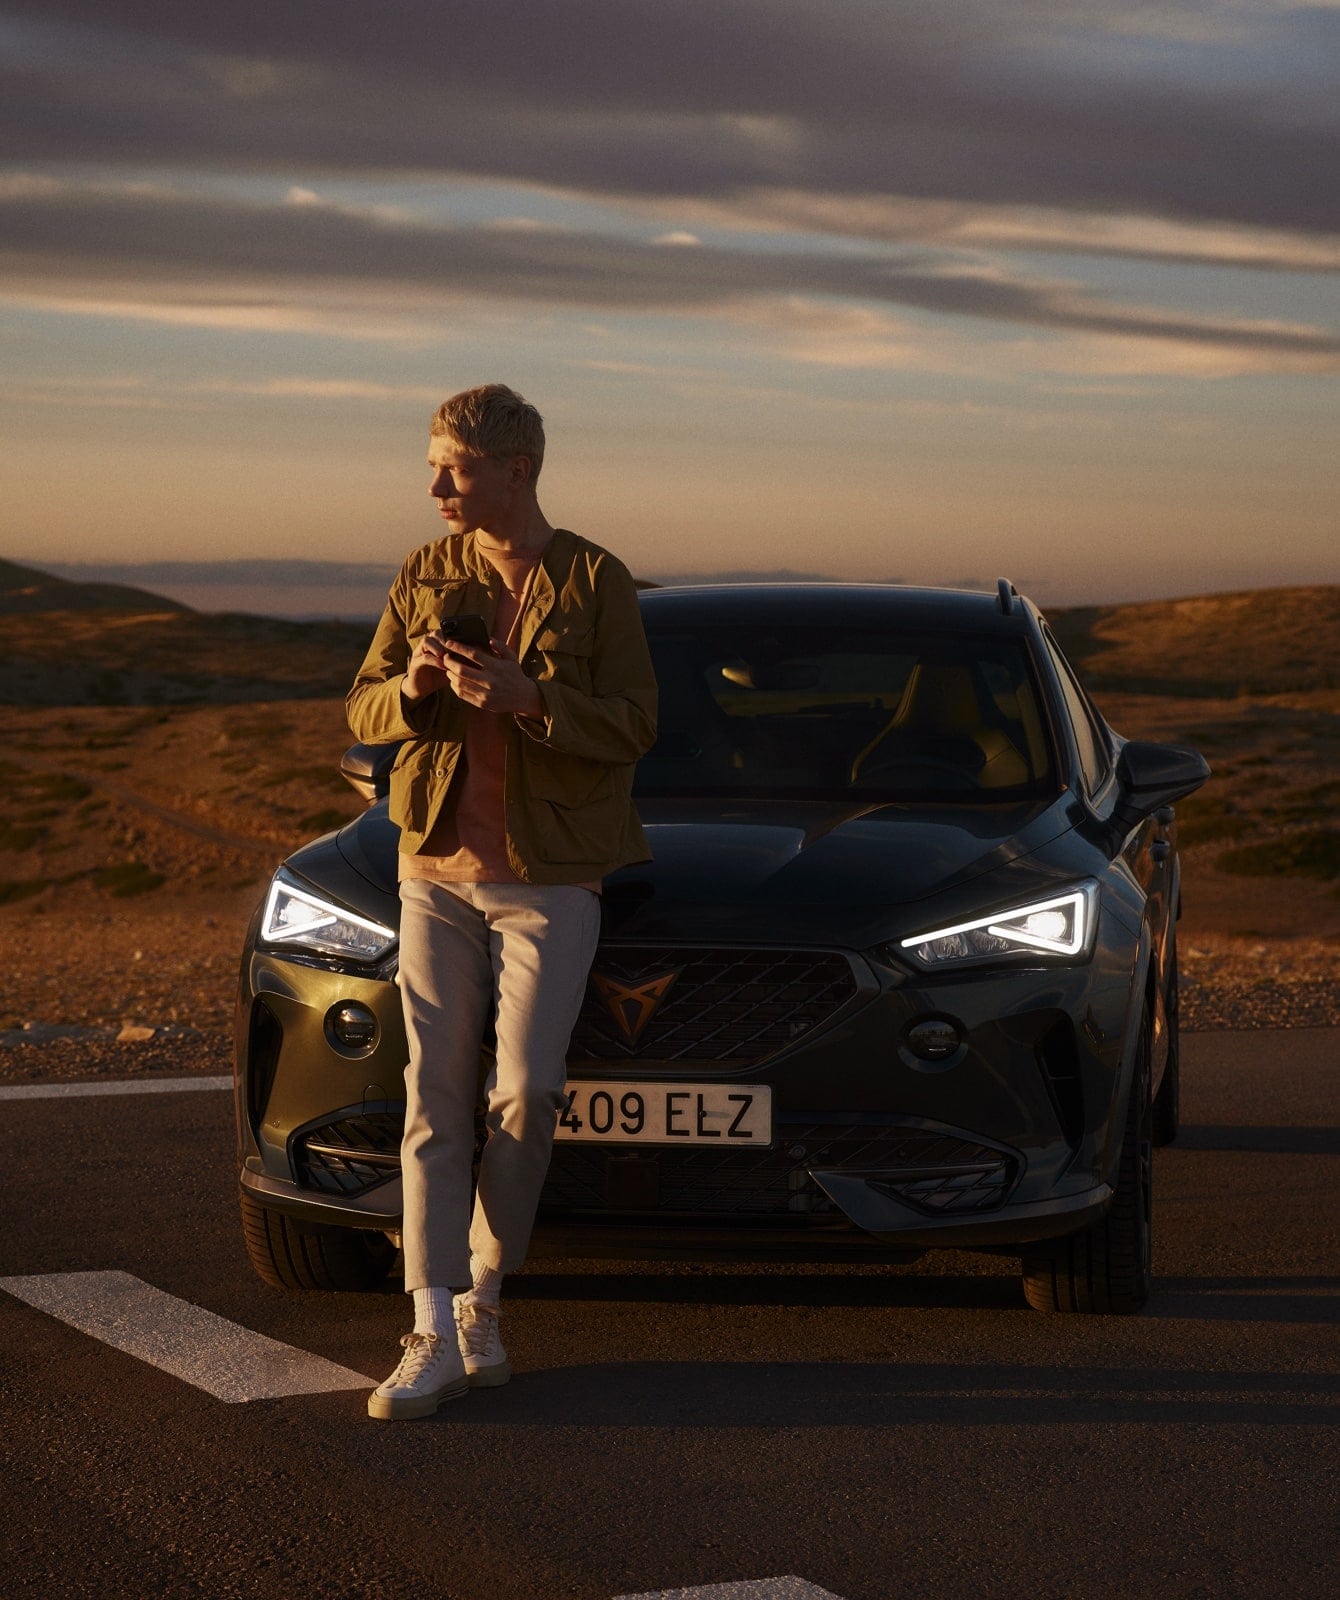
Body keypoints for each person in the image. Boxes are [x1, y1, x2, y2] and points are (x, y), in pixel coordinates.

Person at [346, 384, 657, 1421]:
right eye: (434, 464)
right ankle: (430, 1325)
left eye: (457, 467)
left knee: (524, 1089)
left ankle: (484, 1292)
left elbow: (633, 725)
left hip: (551, 876)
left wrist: (534, 704)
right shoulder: (422, 572)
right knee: (430, 1094)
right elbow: (363, 701)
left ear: (515, 470)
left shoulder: (592, 577)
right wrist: (418, 691)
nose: (436, 484)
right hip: (432, 866)